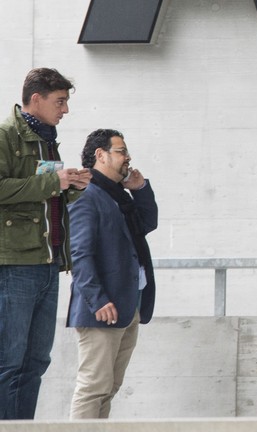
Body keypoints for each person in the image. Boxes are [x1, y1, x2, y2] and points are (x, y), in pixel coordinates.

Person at [0, 68, 93, 420]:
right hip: (15, 264)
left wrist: (68, 187)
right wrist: (54, 182)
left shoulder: (46, 138)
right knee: (9, 361)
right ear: (35, 99)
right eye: (60, 101)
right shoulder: (6, 135)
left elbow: (40, 197)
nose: (65, 109)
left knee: (36, 361)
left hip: (48, 263)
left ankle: (23, 427)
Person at [67, 128, 158, 419]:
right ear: (100, 155)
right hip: (102, 308)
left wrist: (140, 188)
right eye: (121, 151)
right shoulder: (86, 195)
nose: (128, 157)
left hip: (127, 305)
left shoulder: (119, 196)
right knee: (93, 387)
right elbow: (80, 254)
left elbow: (146, 224)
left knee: (110, 387)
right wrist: (98, 299)